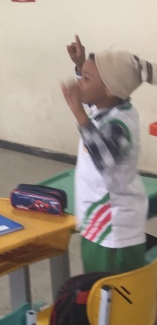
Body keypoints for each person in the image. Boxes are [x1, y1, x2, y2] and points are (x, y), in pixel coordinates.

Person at [62, 35, 155, 274]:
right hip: (99, 223)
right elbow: (94, 100)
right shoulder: (108, 106)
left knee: (110, 289)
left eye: (86, 78)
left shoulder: (120, 123)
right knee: (97, 285)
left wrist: (77, 112)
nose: (79, 83)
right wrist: (80, 64)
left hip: (112, 232)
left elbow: (104, 158)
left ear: (110, 90)